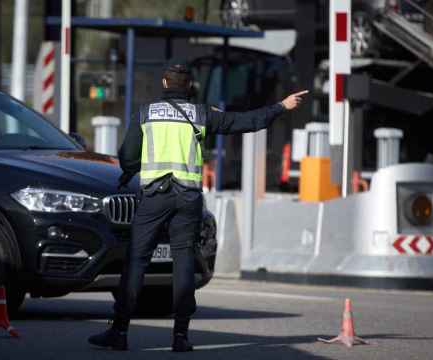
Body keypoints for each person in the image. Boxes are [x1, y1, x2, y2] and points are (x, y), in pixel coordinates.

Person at [88, 62, 308, 352]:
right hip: (188, 199)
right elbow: (246, 122)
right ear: (189, 86)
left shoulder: (146, 113)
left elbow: (127, 156)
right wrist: (281, 105)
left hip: (154, 197)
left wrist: (133, 170)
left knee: (137, 261)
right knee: (184, 264)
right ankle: (181, 337)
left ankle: (120, 332)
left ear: (165, 84)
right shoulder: (202, 114)